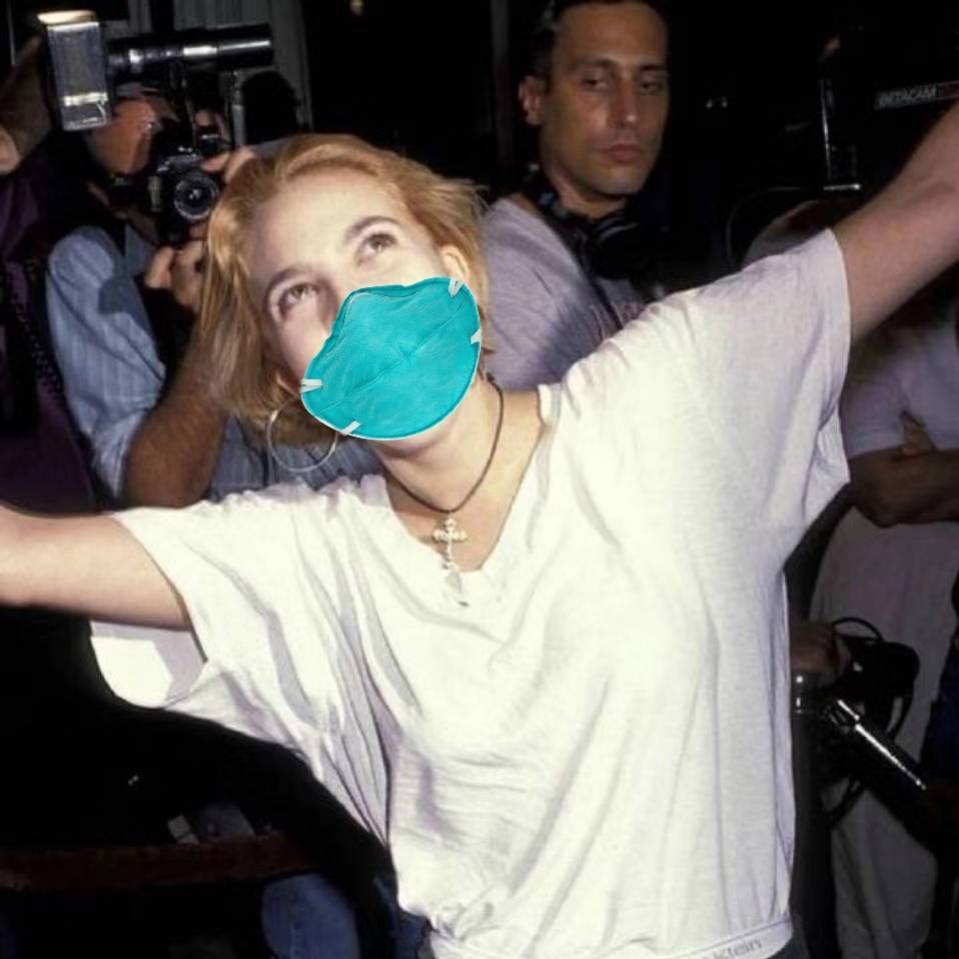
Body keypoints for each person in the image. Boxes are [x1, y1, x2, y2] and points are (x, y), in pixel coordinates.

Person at [5, 89, 959, 957]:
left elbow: (934, 198)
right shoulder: (307, 557)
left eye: (374, 244)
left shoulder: (665, 397)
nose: (354, 302)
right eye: (296, 292)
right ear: (283, 376)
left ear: (457, 267)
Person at [42, 90, 389, 958]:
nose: (180, 177)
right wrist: (217, 326)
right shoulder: (92, 266)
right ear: (104, 187)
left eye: (189, 143)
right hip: (239, 663)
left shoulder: (292, 220)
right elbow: (153, 495)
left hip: (374, 603)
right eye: (150, 168)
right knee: (313, 907)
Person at [809, 270, 959, 959]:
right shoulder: (892, 318)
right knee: (886, 840)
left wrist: (940, 469)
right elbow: (886, 490)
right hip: (895, 580)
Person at [483, 0, 672, 388]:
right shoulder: (501, 275)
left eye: (648, 86)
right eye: (595, 82)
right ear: (535, 99)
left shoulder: (633, 253)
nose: (630, 114)